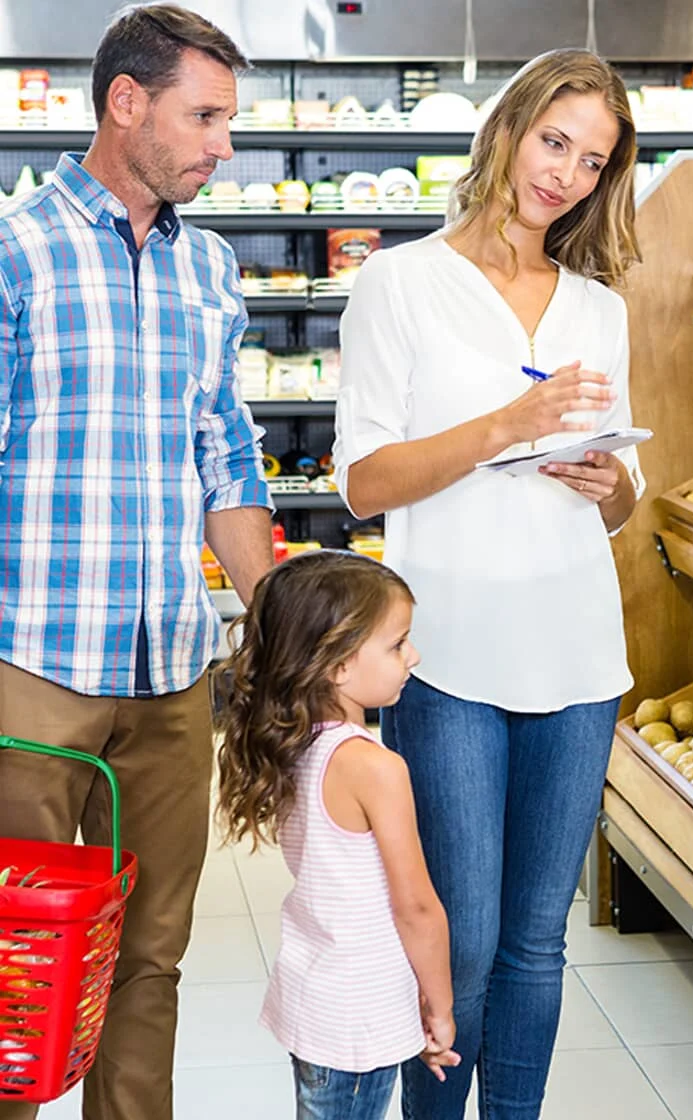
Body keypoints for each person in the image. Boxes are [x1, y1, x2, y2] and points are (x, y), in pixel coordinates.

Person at [332, 47, 642, 1119]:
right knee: (458, 942)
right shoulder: (400, 283)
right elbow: (366, 482)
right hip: (450, 653)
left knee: (535, 945)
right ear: (506, 130)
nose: (563, 174)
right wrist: (504, 426)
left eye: (591, 160)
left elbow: (623, 497)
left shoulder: (597, 306)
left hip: (579, 654)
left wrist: (609, 482)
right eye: (553, 141)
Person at [0, 6, 274, 1119]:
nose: (222, 145)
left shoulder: (209, 267)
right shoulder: (16, 252)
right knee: (14, 965)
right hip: (32, 667)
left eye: (228, 121)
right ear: (127, 103)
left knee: (151, 956)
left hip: (172, 678)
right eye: (204, 117)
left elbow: (228, 453)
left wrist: (279, 618)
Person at [215, 550, 459, 1119]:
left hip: (315, 996)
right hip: (359, 1015)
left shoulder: (298, 742)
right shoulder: (374, 767)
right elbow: (417, 907)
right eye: (397, 644)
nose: (413, 656)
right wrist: (441, 1002)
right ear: (338, 665)